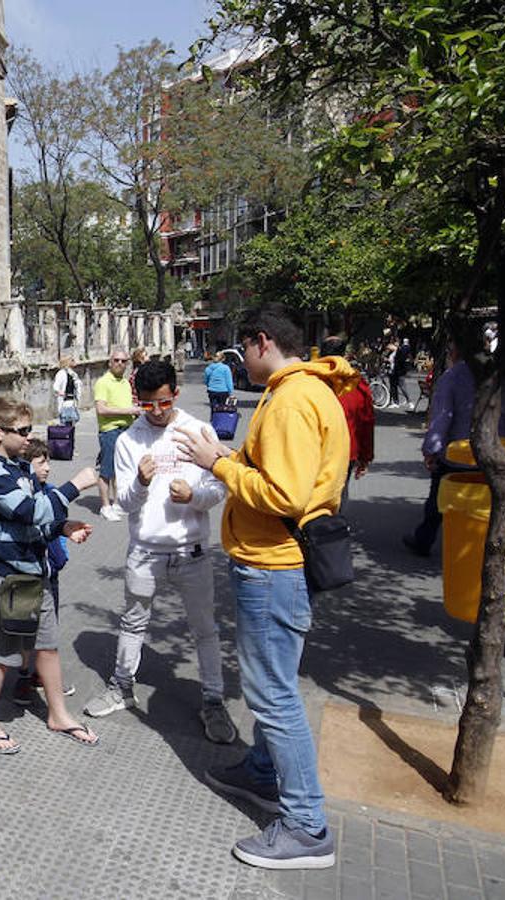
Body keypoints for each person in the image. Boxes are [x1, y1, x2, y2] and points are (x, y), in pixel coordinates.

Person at [176, 304, 350, 870]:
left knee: (274, 696)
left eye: (240, 346)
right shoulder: (301, 391)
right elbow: (283, 474)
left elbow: (286, 495)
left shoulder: (295, 399)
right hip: (270, 563)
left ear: (262, 342)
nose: (238, 357)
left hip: (273, 568)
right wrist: (231, 456)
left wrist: (218, 465)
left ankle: (306, 826)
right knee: (270, 688)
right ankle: (262, 771)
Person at [82, 360, 236, 744]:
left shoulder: (198, 431)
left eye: (163, 403)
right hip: (146, 553)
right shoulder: (129, 440)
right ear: (139, 400)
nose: (156, 412)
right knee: (133, 622)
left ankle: (213, 701)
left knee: (204, 630)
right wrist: (140, 483)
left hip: (193, 552)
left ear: (175, 394)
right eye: (148, 404)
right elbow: (127, 505)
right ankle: (122, 686)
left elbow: (219, 489)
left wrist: (194, 496)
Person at [0, 396, 100, 754]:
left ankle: (58, 714)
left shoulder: (17, 465)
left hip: (34, 571)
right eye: (23, 431)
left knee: (47, 646)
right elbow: (26, 510)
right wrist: (74, 486)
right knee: (4, 651)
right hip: (9, 576)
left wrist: (62, 527)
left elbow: (37, 517)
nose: (29, 437)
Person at [402, 344, 505, 556]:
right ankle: (484, 545)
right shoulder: (500, 377)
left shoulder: (452, 377)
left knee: (438, 501)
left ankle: (424, 539)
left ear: (454, 352)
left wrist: (432, 450)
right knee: (490, 504)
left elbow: (442, 418)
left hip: (458, 453)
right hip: (495, 451)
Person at [11, 437, 76, 706]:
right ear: (27, 466)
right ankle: (24, 677)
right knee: (26, 629)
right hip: (26, 572)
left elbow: (60, 527)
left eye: (48, 461)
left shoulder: (51, 491)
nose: (48, 467)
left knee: (48, 629)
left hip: (50, 571)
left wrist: (62, 553)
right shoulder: (21, 496)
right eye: (41, 462)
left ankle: (41, 674)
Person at [320, 336, 375, 509]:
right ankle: (334, 530)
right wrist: (365, 457)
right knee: (338, 494)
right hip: (346, 451)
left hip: (315, 449)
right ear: (345, 355)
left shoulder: (309, 379)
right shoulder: (357, 385)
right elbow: (366, 423)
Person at [94, 346, 141, 521]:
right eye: (116, 360)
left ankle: (117, 502)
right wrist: (128, 410)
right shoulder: (103, 382)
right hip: (110, 430)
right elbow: (101, 409)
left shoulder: (125, 383)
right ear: (110, 362)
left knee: (120, 469)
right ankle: (105, 506)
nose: (120, 364)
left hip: (127, 430)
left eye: (123, 361)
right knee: (107, 469)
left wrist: (135, 410)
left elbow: (128, 404)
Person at [53, 356, 86, 426]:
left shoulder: (73, 374)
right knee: (66, 424)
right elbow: (56, 387)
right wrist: (60, 392)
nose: (75, 362)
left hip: (72, 402)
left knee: (72, 425)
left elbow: (78, 385)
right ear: (67, 362)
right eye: (72, 360)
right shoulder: (61, 373)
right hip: (65, 403)